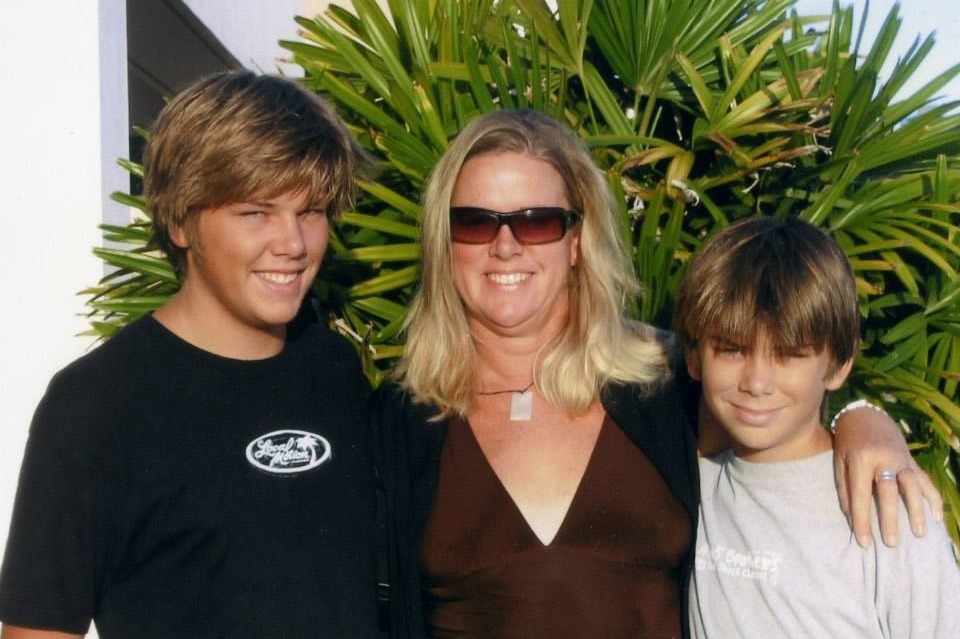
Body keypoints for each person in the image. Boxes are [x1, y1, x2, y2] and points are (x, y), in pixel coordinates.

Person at [374, 109, 938, 639]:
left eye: (536, 222)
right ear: (443, 241)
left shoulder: (664, 383)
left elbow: (780, 406)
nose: (505, 246)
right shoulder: (397, 419)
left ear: (577, 239)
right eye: (475, 222)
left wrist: (864, 421)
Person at [0, 70, 381, 639]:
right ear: (181, 221)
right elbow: (38, 630)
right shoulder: (97, 403)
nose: (293, 244)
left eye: (311, 211)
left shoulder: (335, 369)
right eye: (256, 213)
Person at [675, 216, 960, 638]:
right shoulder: (689, 484)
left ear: (838, 364)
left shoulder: (889, 508)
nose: (757, 383)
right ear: (694, 356)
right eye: (732, 350)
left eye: (789, 355)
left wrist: (863, 415)